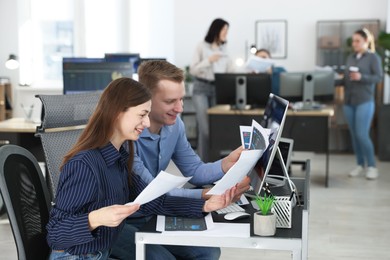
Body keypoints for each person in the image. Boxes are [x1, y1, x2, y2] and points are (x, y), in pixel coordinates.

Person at [46, 77, 236, 260]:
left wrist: (204, 205)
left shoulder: (121, 156)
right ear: (117, 112)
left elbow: (153, 202)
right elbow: (55, 234)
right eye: (142, 114)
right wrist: (94, 218)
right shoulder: (84, 165)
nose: (146, 123)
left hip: (101, 250)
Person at [110, 61, 250, 260]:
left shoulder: (175, 126)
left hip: (152, 212)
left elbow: (194, 169)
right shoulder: (128, 136)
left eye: (181, 99)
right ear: (145, 100)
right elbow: (152, 191)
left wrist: (226, 164)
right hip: (119, 220)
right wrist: (206, 195)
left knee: (208, 252)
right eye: (170, 101)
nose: (180, 108)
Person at [190, 18, 235, 160]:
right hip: (201, 88)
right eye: (224, 29)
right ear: (217, 30)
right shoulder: (201, 46)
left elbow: (230, 71)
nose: (226, 33)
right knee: (205, 130)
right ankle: (202, 163)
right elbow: (193, 70)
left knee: (216, 127)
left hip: (218, 90)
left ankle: (217, 164)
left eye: (227, 30)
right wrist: (209, 60)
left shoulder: (225, 50)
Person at [342, 28, 383, 179]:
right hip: (349, 102)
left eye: (357, 40)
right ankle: (360, 164)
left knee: (362, 134)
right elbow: (347, 78)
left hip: (364, 101)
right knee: (354, 135)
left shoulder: (373, 58)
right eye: (353, 41)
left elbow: (378, 77)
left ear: (366, 41)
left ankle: (372, 166)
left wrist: (361, 76)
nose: (354, 43)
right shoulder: (351, 57)